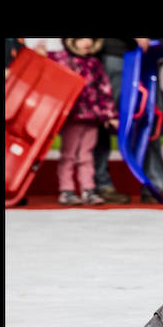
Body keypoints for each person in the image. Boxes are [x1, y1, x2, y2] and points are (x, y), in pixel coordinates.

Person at [92, 38, 163, 204]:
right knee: (106, 119)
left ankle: (155, 185)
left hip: (148, 55)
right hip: (116, 55)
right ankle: (102, 185)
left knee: (149, 119)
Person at [47, 39, 118, 206]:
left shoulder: (94, 63)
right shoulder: (62, 60)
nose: (86, 42)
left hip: (92, 118)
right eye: (81, 38)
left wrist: (109, 115)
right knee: (69, 155)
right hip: (72, 118)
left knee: (86, 155)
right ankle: (67, 190)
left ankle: (88, 189)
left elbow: (104, 90)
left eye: (90, 39)